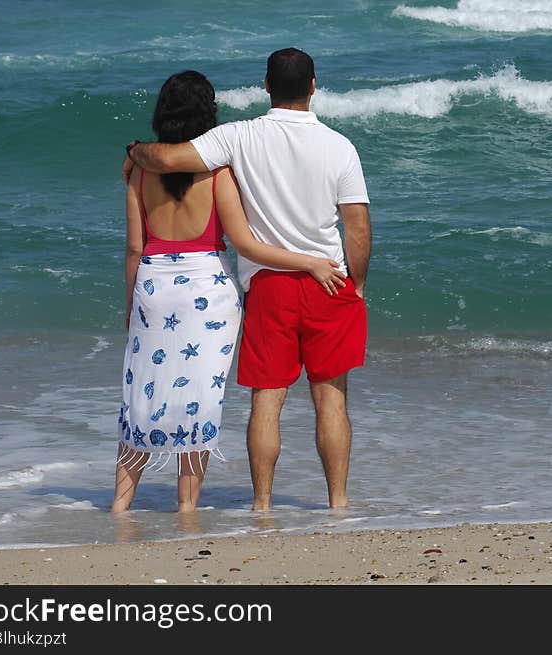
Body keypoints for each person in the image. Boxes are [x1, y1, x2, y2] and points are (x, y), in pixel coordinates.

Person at [123, 48, 372, 510]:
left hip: (270, 286)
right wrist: (356, 284)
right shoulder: (340, 147)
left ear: (265, 85)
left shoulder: (239, 137)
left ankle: (261, 506)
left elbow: (171, 158)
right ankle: (337, 503)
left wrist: (134, 151)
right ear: (314, 85)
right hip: (328, 281)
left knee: (267, 401)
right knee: (332, 400)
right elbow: (356, 225)